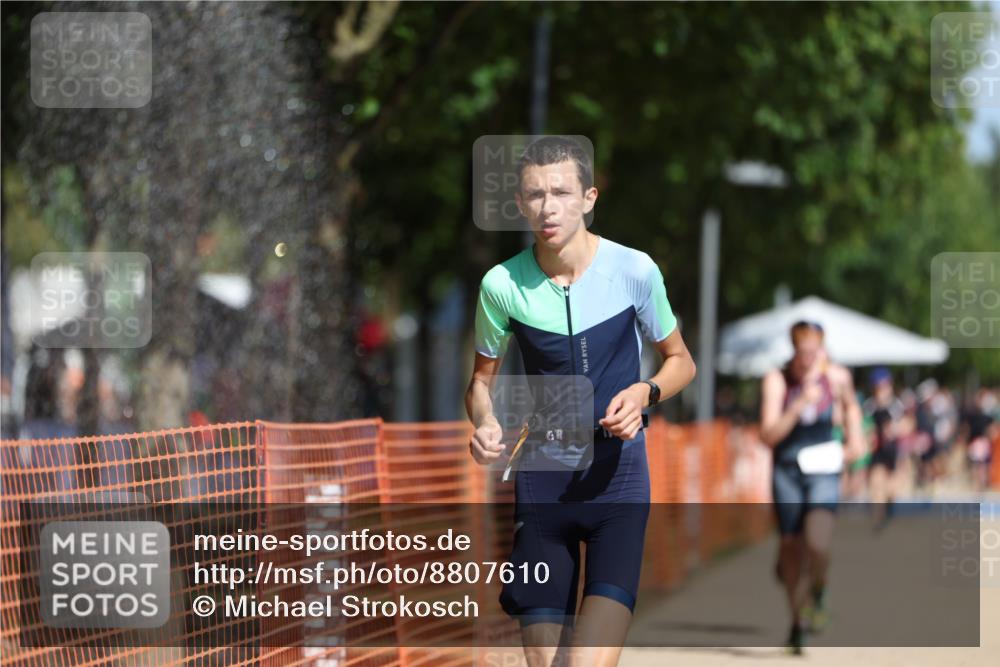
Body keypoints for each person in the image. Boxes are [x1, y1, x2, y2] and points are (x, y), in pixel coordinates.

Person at [465, 136, 695, 667]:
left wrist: (645, 392)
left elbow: (681, 360)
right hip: (543, 478)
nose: (548, 207)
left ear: (589, 198)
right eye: (535, 195)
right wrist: (484, 423)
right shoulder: (502, 285)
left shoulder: (634, 270)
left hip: (618, 479)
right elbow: (480, 382)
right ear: (520, 204)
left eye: (561, 193)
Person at [759, 321, 863, 655]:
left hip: (823, 469)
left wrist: (856, 442)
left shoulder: (837, 377)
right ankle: (797, 621)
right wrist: (800, 402)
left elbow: (851, 408)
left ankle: (819, 586)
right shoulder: (778, 380)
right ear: (794, 350)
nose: (808, 359)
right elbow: (768, 435)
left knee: (817, 542)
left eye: (814, 352)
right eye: (802, 353)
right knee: (791, 547)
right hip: (787, 470)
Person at [864, 367, 903, 530]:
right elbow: (865, 426)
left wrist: (894, 429)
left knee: (891, 487)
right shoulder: (870, 406)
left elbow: (905, 425)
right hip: (877, 450)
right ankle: (878, 517)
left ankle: (888, 509)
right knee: (876, 482)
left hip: (893, 450)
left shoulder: (896, 405)